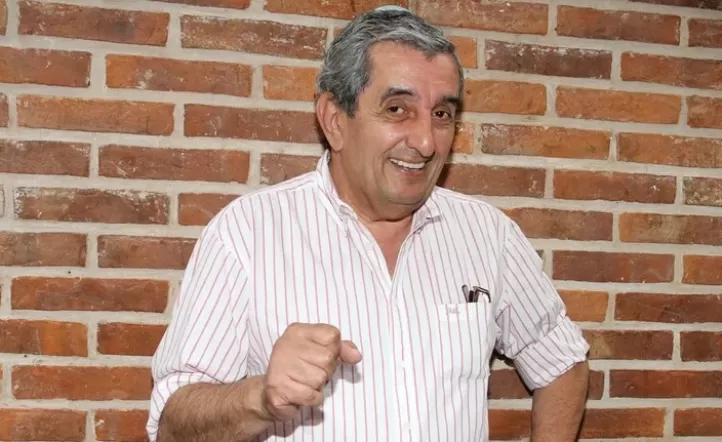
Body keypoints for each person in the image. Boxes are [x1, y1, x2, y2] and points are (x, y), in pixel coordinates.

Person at [147, 6, 590, 442]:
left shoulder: (488, 235)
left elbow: (563, 363)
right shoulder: (246, 234)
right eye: (397, 109)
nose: (425, 142)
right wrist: (260, 399)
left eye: (441, 114)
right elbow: (172, 427)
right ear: (334, 121)